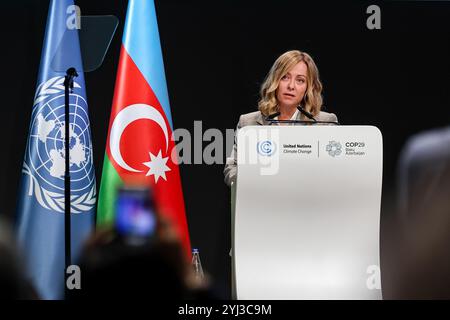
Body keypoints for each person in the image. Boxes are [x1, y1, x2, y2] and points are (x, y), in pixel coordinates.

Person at [224, 50, 338, 187]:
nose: (291, 86)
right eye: (285, 77)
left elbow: (334, 172)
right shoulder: (248, 122)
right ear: (275, 80)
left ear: (309, 87)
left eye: (300, 80)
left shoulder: (325, 123)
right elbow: (231, 169)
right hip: (263, 201)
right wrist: (253, 181)